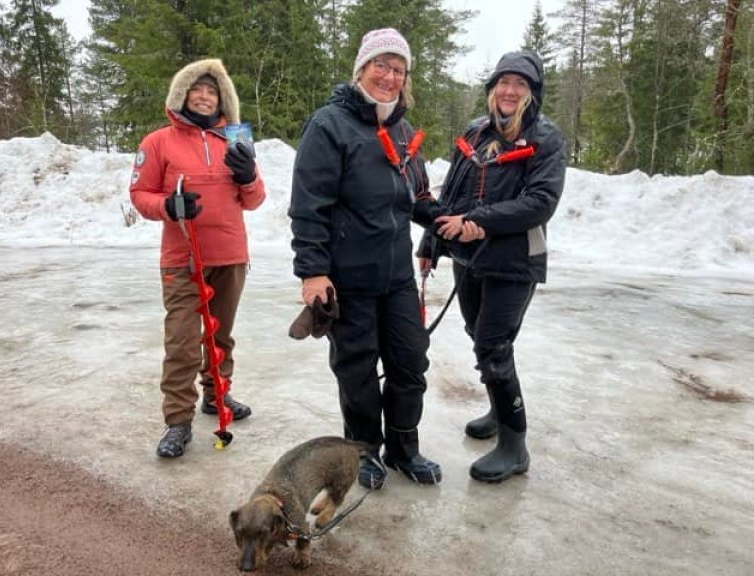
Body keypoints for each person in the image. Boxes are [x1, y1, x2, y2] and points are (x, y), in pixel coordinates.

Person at [289, 28, 446, 489]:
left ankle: (403, 447)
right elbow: (308, 204)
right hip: (348, 279)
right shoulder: (329, 125)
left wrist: (451, 223)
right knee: (357, 369)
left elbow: (415, 197)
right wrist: (313, 272)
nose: (390, 76)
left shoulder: (400, 129)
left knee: (410, 361)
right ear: (362, 69)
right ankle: (362, 452)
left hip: (396, 275)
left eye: (399, 69)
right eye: (381, 65)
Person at [418, 51, 566, 483]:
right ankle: (499, 410)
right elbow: (455, 192)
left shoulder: (545, 137)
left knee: (493, 344)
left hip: (515, 260)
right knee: (479, 337)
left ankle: (514, 445)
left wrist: (477, 223)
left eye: (520, 83)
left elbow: (540, 203)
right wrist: (433, 239)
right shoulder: (475, 132)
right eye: (503, 82)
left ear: (532, 91)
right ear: (492, 89)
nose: (509, 90)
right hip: (468, 258)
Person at [130, 59, 266, 458]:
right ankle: (177, 420)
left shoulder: (236, 140)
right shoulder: (158, 142)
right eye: (197, 89)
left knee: (220, 336)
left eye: (213, 91)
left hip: (230, 255)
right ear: (182, 95)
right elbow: (140, 195)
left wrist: (248, 177)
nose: (205, 96)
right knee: (183, 342)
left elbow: (255, 201)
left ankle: (217, 397)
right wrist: (169, 206)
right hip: (182, 257)